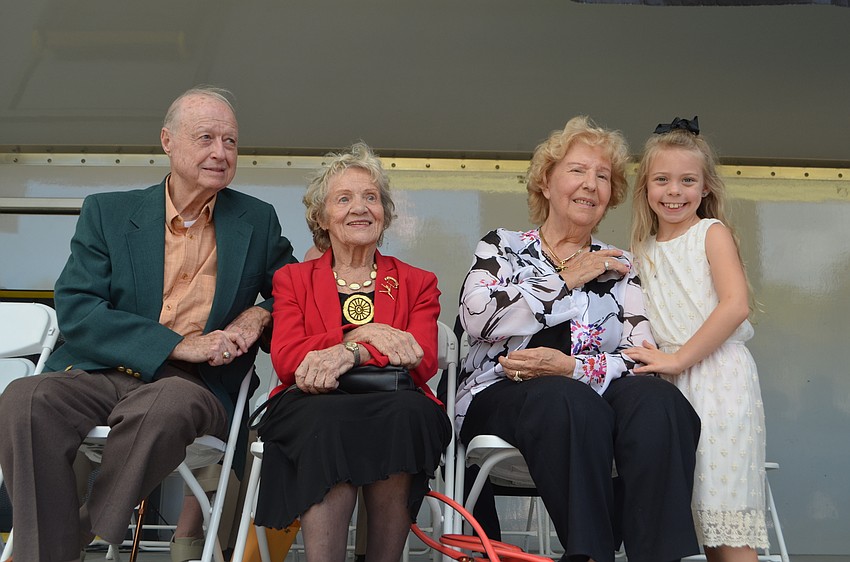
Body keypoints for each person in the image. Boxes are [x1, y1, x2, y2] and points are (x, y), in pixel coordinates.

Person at [0, 85, 296, 561]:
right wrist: (177, 345)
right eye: (205, 138)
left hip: (192, 387)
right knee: (24, 398)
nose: (221, 153)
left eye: (231, 142)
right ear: (167, 141)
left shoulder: (256, 221)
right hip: (97, 371)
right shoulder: (109, 212)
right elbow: (78, 309)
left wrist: (257, 314)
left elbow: (298, 295)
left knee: (166, 405)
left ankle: (69, 537)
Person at [456, 116, 701, 562]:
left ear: (612, 196)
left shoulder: (620, 266)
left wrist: (573, 367)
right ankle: (591, 554)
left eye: (603, 176)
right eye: (577, 170)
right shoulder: (502, 247)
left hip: (587, 397)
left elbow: (641, 354)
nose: (590, 184)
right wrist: (565, 278)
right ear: (546, 183)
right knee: (567, 400)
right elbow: (479, 320)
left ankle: (659, 555)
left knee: (660, 403)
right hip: (500, 396)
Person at [253, 142, 452, 562]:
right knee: (325, 419)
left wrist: (353, 354)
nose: (360, 207)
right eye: (344, 199)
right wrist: (367, 333)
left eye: (371, 197)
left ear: (384, 213)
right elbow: (288, 358)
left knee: (408, 415)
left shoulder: (418, 281)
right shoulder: (292, 279)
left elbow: (422, 358)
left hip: (395, 401)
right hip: (313, 402)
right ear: (322, 217)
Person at [626, 117, 768, 562]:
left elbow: (734, 305)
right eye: (662, 180)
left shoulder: (712, 233)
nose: (674, 191)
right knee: (692, 513)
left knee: (723, 509)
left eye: (687, 180)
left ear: (705, 187)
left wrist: (679, 358)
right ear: (645, 188)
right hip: (672, 383)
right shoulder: (642, 252)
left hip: (718, 378)